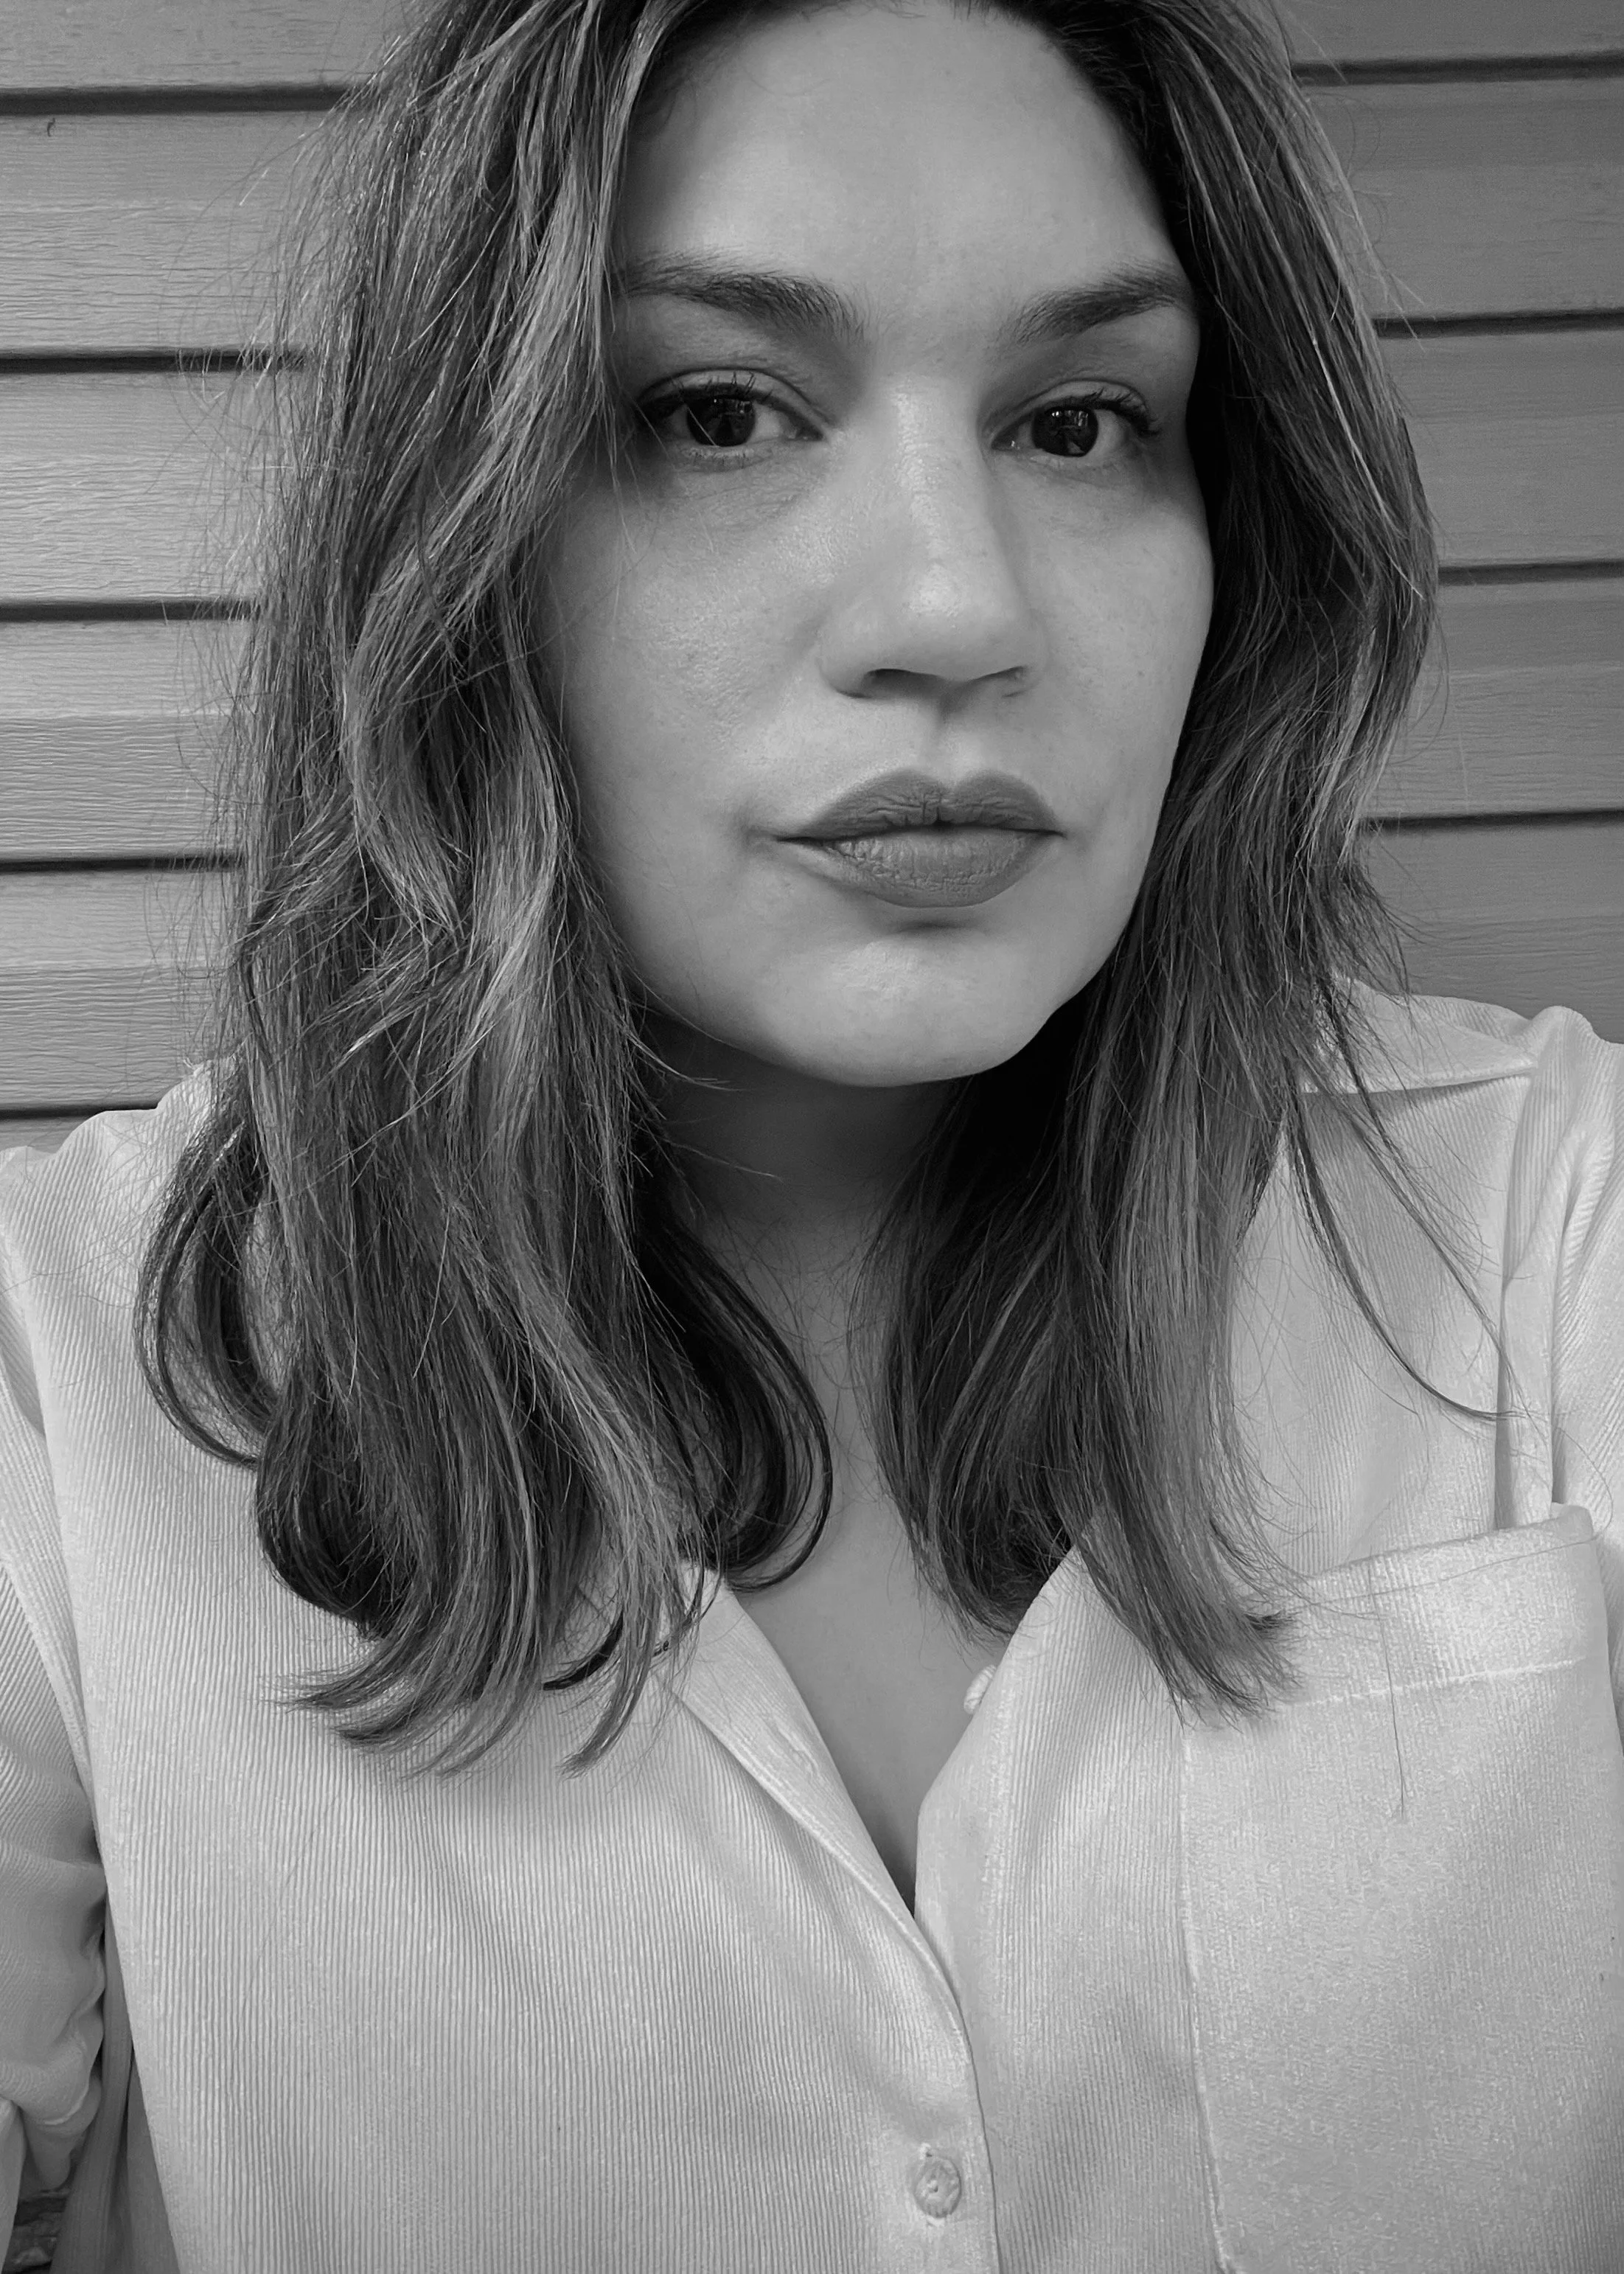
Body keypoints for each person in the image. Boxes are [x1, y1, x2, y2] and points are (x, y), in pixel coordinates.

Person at [2, 0, 1620, 2265]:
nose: (955, 605)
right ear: (463, 531)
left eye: (1080, 422)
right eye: (719, 412)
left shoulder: (1549, 1223)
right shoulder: (61, 1386)